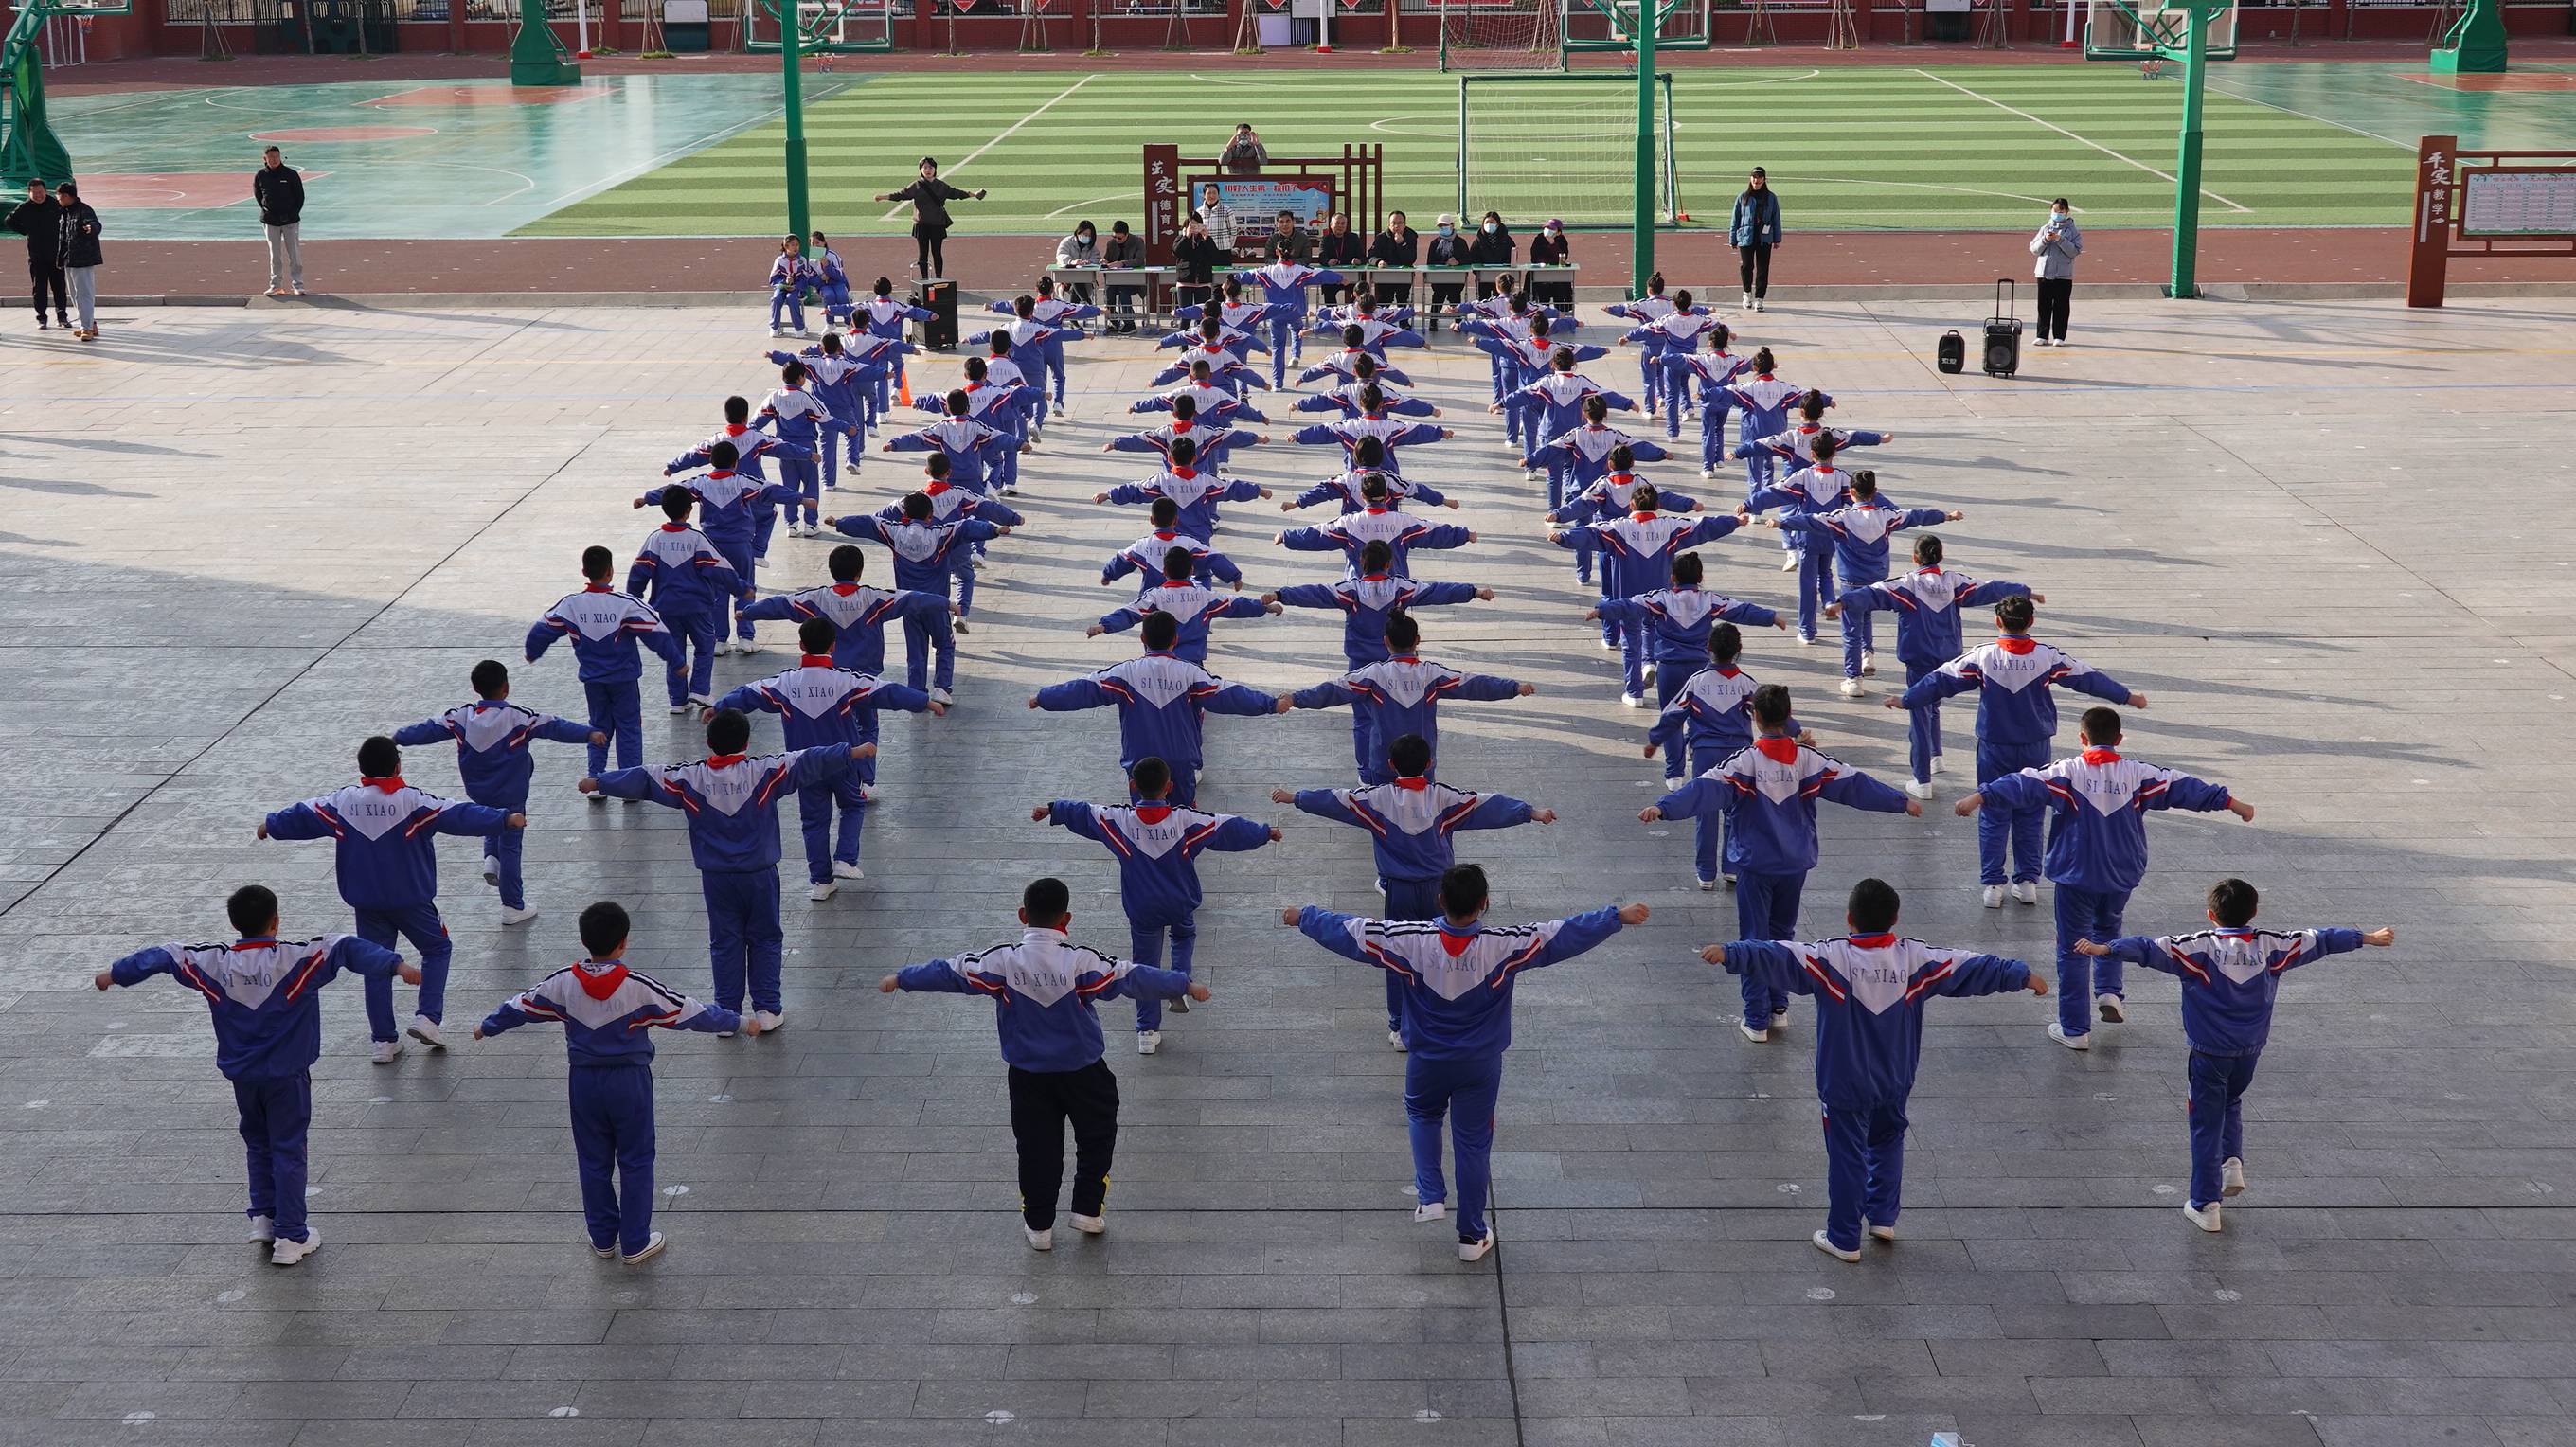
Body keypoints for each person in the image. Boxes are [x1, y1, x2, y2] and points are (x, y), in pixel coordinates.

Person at [1286, 867, 1645, 1261]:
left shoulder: (1410, 941)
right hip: (1480, 1064)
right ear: (1484, 903)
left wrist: (1305, 917)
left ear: (1441, 900)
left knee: (1422, 1114)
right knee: (1473, 1143)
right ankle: (1472, 1236)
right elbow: (1561, 934)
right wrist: (1615, 917)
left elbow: (1354, 932)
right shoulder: (1503, 945)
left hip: (1427, 1060)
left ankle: (1430, 1195)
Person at [1707, 879, 2045, 1261]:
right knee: (1887, 1140)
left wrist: (1730, 953)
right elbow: (1970, 965)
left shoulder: (1831, 958)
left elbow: (1777, 955)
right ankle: (1883, 1217)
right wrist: (2020, 975)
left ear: (1849, 918)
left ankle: (1844, 1237)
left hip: (1845, 1082)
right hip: (1895, 1077)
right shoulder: (1915, 959)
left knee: (1847, 1155)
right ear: (1895, 919)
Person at [94, 885, 416, 1267]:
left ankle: (263, 1217)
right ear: (275, 921)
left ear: (234, 924)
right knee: (289, 1148)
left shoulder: (215, 963)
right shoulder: (296, 959)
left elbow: (164, 955)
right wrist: (397, 966)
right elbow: (344, 946)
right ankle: (291, 1236)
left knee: (258, 1142)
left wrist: (114, 974)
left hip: (244, 1077)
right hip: (287, 1076)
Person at [882, 877, 1208, 1250]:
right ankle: (1087, 1210)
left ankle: (1039, 1227)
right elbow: (1131, 976)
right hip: (1085, 1073)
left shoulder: (1003, 961)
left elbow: (951, 972)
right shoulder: (1080, 961)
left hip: (1028, 1077)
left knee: (1037, 1148)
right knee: (1096, 1138)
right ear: (1066, 919)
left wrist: (902, 979)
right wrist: (1182, 984)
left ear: (1023, 915)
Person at [2073, 881, 2394, 1233]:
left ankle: (2206, 1204)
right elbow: (2321, 939)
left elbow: (2148, 948)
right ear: (2254, 912)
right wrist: (2367, 937)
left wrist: (2107, 949)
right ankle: (2232, 1163)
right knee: (2232, 1100)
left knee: (2205, 1124)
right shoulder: (2272, 945)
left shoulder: (2198, 948)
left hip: (2208, 1053)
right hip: (2250, 1051)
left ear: (2211, 915)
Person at [474, 900, 752, 1265]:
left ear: (584, 941)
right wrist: (740, 1022)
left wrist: (487, 1026)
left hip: (584, 1082)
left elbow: (520, 1006)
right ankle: (635, 1242)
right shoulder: (638, 987)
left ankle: (603, 1237)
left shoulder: (563, 982)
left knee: (593, 1159)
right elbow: (691, 1012)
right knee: (636, 1159)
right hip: (629, 1083)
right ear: (623, 942)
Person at [1957, 706, 2252, 1050]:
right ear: (2119, 739)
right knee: (2109, 929)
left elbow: (2021, 783)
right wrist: (2232, 803)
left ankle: (2074, 1028)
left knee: (2072, 948)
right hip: (2121, 874)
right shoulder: (2138, 774)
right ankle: (2110, 991)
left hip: (2076, 875)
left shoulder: (2068, 771)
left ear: (2082, 738)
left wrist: (1979, 796)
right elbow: (2184, 786)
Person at [1639, 684, 1922, 1038]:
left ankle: (1756, 1018)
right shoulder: (1810, 761)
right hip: (1795, 864)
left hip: (1755, 865)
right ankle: (1778, 1007)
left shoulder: (1744, 763)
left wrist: (1663, 808)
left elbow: (1703, 789)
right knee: (1783, 936)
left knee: (1754, 939)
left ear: (1754, 717)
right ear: (1789, 716)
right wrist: (1900, 802)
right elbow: (1855, 784)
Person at [582, 709, 866, 1029]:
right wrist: (851, 752)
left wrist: (599, 781)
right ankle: (767, 1010)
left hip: (716, 878)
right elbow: (807, 760)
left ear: (708, 742)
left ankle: (727, 1015)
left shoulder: (690, 777)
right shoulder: (763, 771)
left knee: (724, 941)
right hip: (760, 876)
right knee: (766, 939)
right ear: (746, 741)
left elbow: (646, 778)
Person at [1275, 736, 1551, 1050]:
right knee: (1443, 952)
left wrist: (1295, 798)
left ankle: (1400, 1027)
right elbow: (1486, 804)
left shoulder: (1376, 799)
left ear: (1391, 765)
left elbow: (1336, 800)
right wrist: (1530, 812)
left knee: (1399, 951)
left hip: (1400, 892)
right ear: (1429, 763)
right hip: (1440, 890)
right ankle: (1441, 1015)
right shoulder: (1443, 798)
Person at [258, 736, 522, 1063]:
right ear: (397, 767)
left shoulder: (343, 802)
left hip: (366, 902)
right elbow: (458, 813)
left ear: (362, 769)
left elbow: (303, 814)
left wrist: (271, 825)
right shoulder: (411, 801)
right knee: (438, 948)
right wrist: (503, 819)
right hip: (411, 900)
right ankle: (427, 1018)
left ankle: (383, 1041)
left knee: (375, 964)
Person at [1889, 595, 2145, 909]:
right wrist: (2127, 696)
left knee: (1993, 808)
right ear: (2031, 621)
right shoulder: (2047, 657)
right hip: (2035, 746)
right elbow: (2088, 679)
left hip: (1994, 747)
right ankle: (2027, 882)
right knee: (2031, 811)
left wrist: (1907, 699)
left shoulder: (1983, 656)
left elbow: (1940, 680)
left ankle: (1993, 885)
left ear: (1998, 621)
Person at [1037, 758, 1279, 1055]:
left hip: (1143, 907)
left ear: (1133, 785)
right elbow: (1226, 827)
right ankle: (1179, 981)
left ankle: (1147, 1032)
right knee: (1184, 935)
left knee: (1144, 965)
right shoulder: (1185, 820)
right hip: (1179, 901)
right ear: (1170, 787)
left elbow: (1085, 812)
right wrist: (1264, 833)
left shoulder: (1120, 821)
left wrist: (1053, 809)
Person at [389, 660, 603, 927]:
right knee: (511, 845)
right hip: (511, 793)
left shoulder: (461, 716)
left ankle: (491, 858)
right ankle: (512, 905)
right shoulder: (517, 717)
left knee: (490, 817)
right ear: (506, 688)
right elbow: (556, 726)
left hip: (479, 789)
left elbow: (428, 729)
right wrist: (589, 734)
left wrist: (398, 737)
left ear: (475, 688)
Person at [1826, 535, 2036, 799]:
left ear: (1915, 558)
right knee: (1934, 704)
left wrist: (1842, 603)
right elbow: (1990, 588)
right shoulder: (1953, 582)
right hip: (1947, 655)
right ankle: (1936, 757)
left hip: (1919, 657)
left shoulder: (1908, 583)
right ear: (1941, 556)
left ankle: (1922, 779)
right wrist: (2024, 591)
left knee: (1919, 713)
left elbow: (1872, 593)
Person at [1029, 612, 1282, 809]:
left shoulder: (1125, 674)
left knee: (1143, 818)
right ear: (1175, 640)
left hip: (1140, 764)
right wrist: (1271, 704)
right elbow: (1231, 695)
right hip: (1180, 762)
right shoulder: (1191, 674)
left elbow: (1082, 689)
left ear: (1142, 639)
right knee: (1183, 820)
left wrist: (1043, 698)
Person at [1762, 472, 1954, 698]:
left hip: (1851, 581)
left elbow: (1811, 521)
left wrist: (1782, 523)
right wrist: (1945, 516)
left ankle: (1853, 678)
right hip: (1878, 579)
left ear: (1851, 493)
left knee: (1851, 629)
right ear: (1875, 492)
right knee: (1867, 613)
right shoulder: (1887, 516)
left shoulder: (1843, 518)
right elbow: (1915, 516)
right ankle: (1867, 653)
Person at [1642, 623, 1806, 889]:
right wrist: (1796, 732)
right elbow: (1773, 711)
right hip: (1739, 756)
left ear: (1708, 648)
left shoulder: (1697, 682)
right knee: (1737, 810)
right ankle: (1732, 867)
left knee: (1705, 811)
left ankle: (1706, 873)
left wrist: (1654, 740)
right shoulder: (1747, 684)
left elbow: (1673, 714)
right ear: (1739, 649)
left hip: (1705, 754)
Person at [1289, 610, 1533, 786]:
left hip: (1384, 763)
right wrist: (1512, 687)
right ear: (1417, 641)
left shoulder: (1374, 675)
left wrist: (1295, 699)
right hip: (1422, 763)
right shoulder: (1431, 674)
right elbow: (1473, 684)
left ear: (1386, 642)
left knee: (1384, 815)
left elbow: (1333, 690)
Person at [527, 545, 686, 784]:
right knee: (629, 727)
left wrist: (532, 652)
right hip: (624, 680)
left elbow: (543, 628)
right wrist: (676, 661)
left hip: (593, 681)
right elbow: (656, 633)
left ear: (584, 571)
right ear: (610, 571)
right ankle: (628, 782)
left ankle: (595, 779)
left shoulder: (571, 605)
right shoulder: (625, 604)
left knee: (598, 727)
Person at [875, 157, 985, 279]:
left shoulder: (941, 185)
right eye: (925, 167)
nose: (928, 170)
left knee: (937, 253)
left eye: (930, 167)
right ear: (921, 170)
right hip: (921, 225)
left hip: (937, 224)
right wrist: (883, 197)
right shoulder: (916, 185)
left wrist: (974, 194)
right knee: (923, 254)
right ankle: (924, 279)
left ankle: (938, 278)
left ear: (935, 169)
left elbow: (956, 193)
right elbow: (901, 195)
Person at [6, 178, 64, 331]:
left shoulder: (55, 204)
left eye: (41, 192)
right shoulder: (25, 207)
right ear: (29, 193)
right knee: (39, 288)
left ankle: (62, 316)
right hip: (37, 255)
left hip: (56, 254)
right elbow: (9, 221)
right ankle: (41, 317)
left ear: (45, 191)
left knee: (59, 286)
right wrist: (24, 231)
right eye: (35, 193)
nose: (38, 195)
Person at [47, 181, 100, 341]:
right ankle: (89, 324)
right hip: (68, 258)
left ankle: (87, 328)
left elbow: (94, 224)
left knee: (84, 293)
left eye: (59, 196)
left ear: (66, 196)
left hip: (82, 258)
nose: (58, 200)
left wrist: (91, 229)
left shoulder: (84, 210)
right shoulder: (64, 212)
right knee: (75, 294)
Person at [253, 145, 306, 298]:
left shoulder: (290, 174)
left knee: (294, 254)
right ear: (265, 158)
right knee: (274, 255)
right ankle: (276, 286)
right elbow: (259, 196)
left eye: (277, 156)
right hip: (270, 221)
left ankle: (298, 285)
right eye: (271, 157)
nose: (275, 160)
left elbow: (300, 197)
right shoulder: (260, 175)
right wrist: (269, 211)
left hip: (290, 221)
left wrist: (292, 214)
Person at [2030, 198, 2083, 348]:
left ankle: (2059, 336)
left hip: (2063, 275)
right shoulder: (2045, 228)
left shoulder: (2072, 231)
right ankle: (2042, 335)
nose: (2057, 214)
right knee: (2043, 306)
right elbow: (2034, 249)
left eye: (2061, 211)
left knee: (2061, 306)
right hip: (2044, 273)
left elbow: (2074, 251)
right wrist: (2045, 240)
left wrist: (2060, 240)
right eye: (2055, 211)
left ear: (2067, 212)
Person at [1731, 166, 1782, 313]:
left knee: (1763, 269)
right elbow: (1735, 218)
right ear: (1750, 178)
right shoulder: (1743, 197)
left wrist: (1777, 238)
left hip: (1764, 238)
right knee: (1747, 267)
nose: (1756, 180)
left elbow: (1776, 218)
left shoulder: (1771, 197)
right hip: (1746, 237)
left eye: (1759, 177)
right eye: (1754, 177)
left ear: (1764, 179)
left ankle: (1759, 299)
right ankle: (1747, 293)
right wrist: (1733, 239)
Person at [1173, 213, 1225, 315]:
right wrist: (1186, 237)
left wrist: (1207, 238)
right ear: (1187, 225)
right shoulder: (1181, 238)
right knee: (1185, 316)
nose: (1194, 227)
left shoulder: (1205, 239)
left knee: (1202, 315)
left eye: (1197, 224)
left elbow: (1215, 256)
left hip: (1203, 281)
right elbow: (1177, 252)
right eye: (1192, 224)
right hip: (1185, 281)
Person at [765, 236, 816, 338]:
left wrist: (796, 286)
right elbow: (773, 278)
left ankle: (799, 328)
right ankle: (774, 327)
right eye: (792, 245)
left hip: (796, 288)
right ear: (786, 246)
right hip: (782, 287)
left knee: (791, 298)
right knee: (776, 299)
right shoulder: (779, 260)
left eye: (797, 245)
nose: (795, 247)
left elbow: (805, 278)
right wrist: (785, 282)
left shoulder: (802, 260)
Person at [1102, 220, 1147, 334]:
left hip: (1133, 280)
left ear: (1127, 235)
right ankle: (1114, 321)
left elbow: (1139, 261)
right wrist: (1104, 261)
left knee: (1124, 292)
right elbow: (1107, 259)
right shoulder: (1111, 244)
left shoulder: (1138, 242)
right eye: (1114, 237)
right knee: (1109, 292)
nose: (1117, 240)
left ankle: (1129, 324)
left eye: (1120, 238)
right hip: (1114, 280)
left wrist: (1122, 263)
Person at [1369, 210, 1419, 312]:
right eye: (1393, 223)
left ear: (1405, 224)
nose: (1396, 226)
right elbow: (1371, 256)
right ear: (1389, 224)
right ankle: (1380, 318)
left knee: (1402, 299)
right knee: (1385, 298)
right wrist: (1378, 261)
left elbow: (1411, 259)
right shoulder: (1381, 237)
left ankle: (1403, 319)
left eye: (1400, 223)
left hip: (1403, 275)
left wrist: (1402, 244)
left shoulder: (1411, 236)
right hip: (1385, 275)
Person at [1424, 214, 1471, 321]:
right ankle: (1433, 321)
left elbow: (1468, 261)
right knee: (1438, 297)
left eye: (1445, 225)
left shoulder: (1461, 242)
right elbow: (1430, 263)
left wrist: (1457, 262)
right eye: (1440, 226)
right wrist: (1445, 263)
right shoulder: (1434, 243)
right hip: (1439, 280)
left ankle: (1458, 322)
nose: (1442, 228)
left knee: (1455, 297)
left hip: (1456, 281)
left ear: (1452, 225)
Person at [1316, 212, 1365, 305]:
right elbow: (1322, 257)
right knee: (1328, 292)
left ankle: (1351, 311)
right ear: (1331, 225)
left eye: (1343, 223)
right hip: (1332, 276)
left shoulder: (1354, 238)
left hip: (1351, 275)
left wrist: (1358, 261)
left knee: (1360, 290)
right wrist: (1328, 262)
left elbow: (1363, 257)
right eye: (1337, 223)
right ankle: (1333, 312)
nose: (1340, 226)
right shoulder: (1325, 239)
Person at [1465, 210, 1514, 301]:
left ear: (1498, 224)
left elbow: (1511, 257)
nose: (1489, 224)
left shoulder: (1507, 240)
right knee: (1483, 301)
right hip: (1483, 277)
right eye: (1487, 222)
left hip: (1501, 277)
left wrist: (1504, 268)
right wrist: (1480, 269)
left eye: (1492, 222)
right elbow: (1473, 258)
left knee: (1501, 300)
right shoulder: (1478, 241)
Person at [1527, 218, 1572, 309]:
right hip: (1542, 275)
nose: (1548, 230)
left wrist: (1553, 245)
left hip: (1558, 276)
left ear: (1558, 232)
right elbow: (1534, 257)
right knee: (1541, 291)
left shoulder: (1562, 240)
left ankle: (1561, 311)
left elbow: (1563, 258)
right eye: (1547, 228)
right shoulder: (1539, 239)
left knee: (1560, 290)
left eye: (1552, 229)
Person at [1054, 219, 1100, 305]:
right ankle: (1085, 301)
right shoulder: (1067, 242)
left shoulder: (1091, 246)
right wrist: (1072, 262)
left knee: (1078, 280)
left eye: (1089, 235)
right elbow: (1060, 255)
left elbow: (1097, 258)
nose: (1087, 237)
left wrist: (1089, 262)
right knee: (1075, 277)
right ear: (1078, 232)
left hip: (1085, 278)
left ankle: (1078, 306)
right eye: (1085, 234)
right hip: (1066, 277)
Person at [1193, 182, 1237, 257]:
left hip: (1222, 251)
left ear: (1218, 195)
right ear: (1204, 195)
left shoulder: (1227, 211)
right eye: (1209, 193)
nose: (1212, 195)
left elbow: (1233, 231)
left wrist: (1228, 246)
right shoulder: (1199, 212)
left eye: (1214, 193)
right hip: (1204, 250)